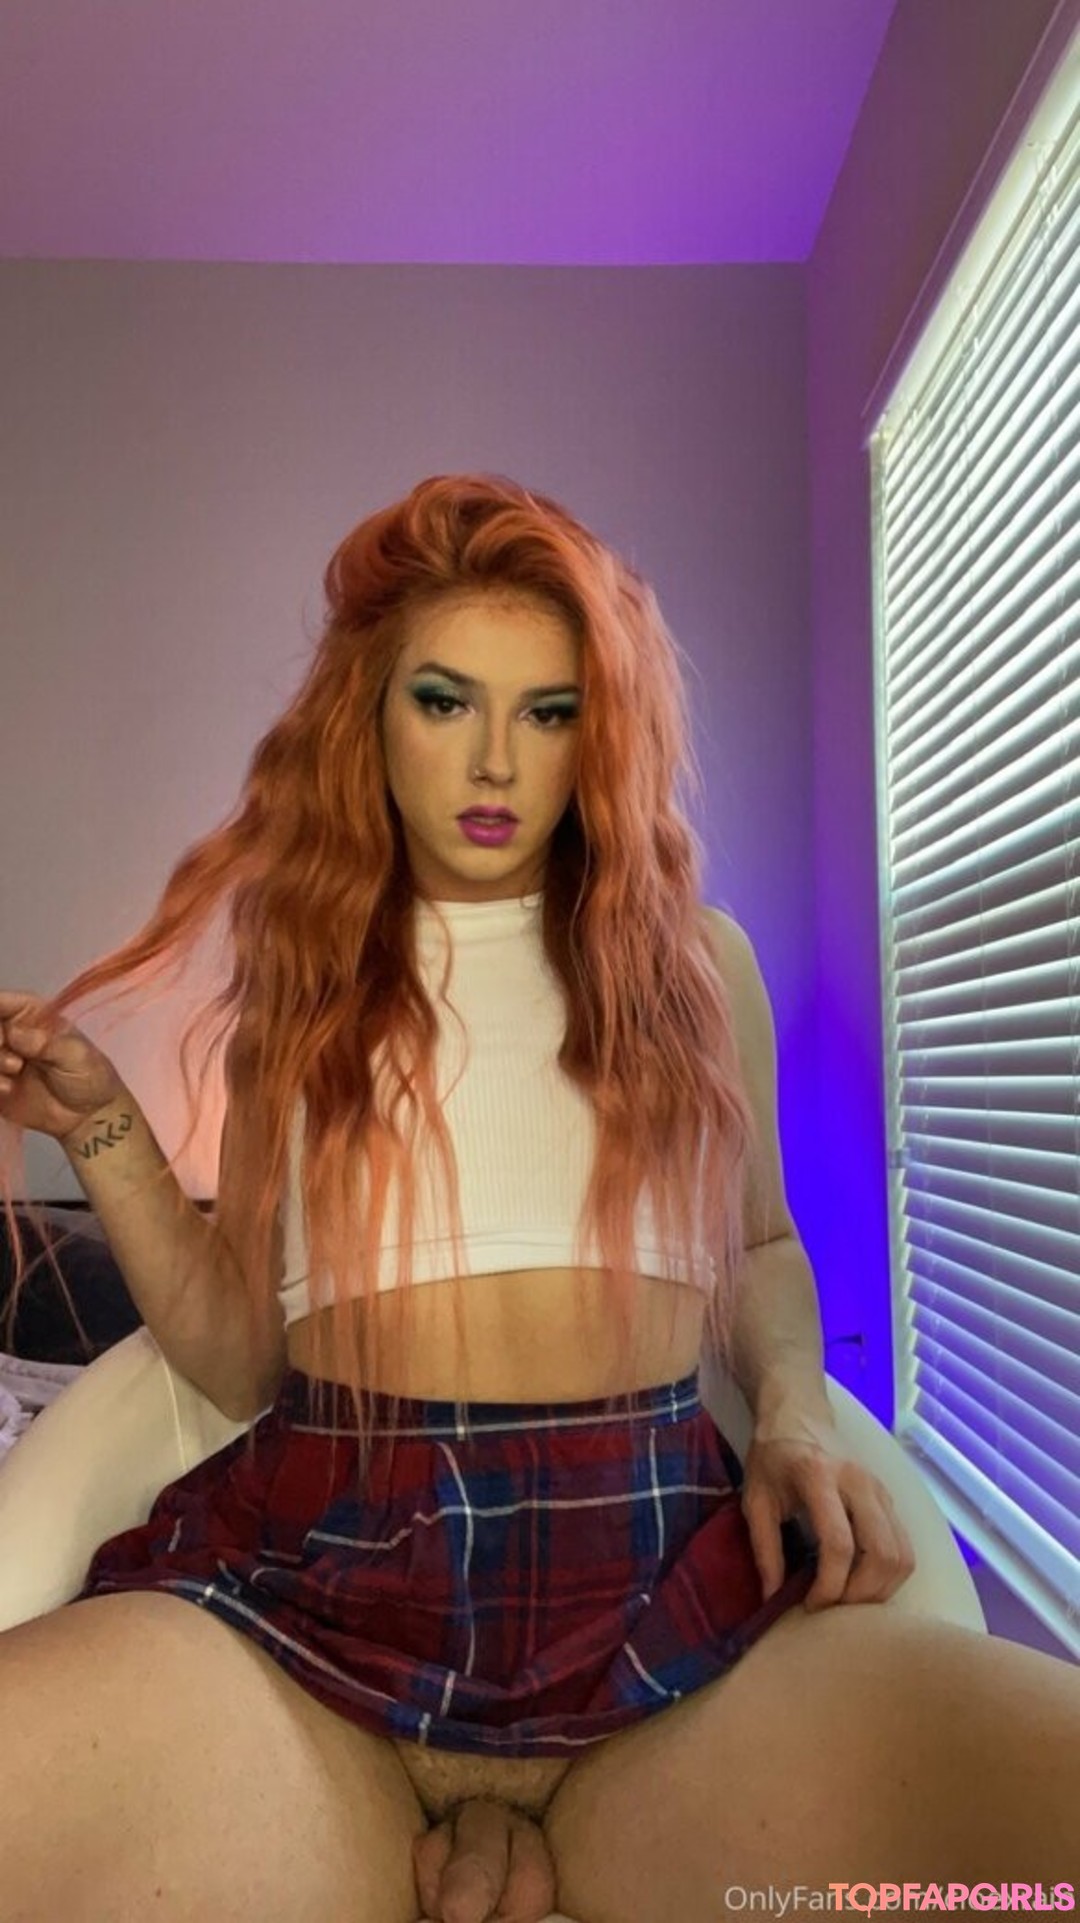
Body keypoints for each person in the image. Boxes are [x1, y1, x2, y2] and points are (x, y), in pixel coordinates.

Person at [0, 473, 1076, 1923]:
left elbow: (762, 1243)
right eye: (446, 702)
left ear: (597, 736)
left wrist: (797, 1414)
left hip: (666, 1623)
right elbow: (242, 1357)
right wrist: (101, 1122)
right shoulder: (304, 993)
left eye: (549, 712)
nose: (496, 761)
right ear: (371, 717)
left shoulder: (696, 966)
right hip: (318, 1627)